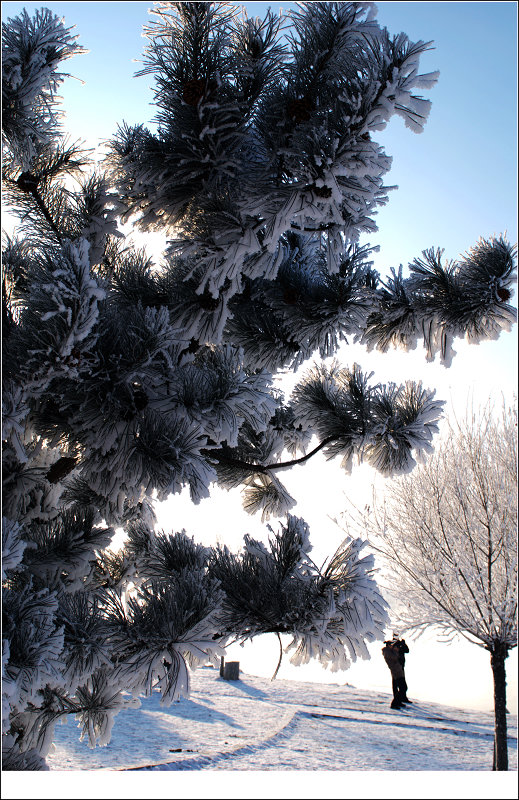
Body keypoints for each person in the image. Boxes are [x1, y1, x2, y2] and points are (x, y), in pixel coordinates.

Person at [382, 636, 412, 709]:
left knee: (403, 687)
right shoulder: (387, 652)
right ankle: (395, 703)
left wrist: (403, 644)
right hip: (396, 671)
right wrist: (396, 650)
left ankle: (398, 702)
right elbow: (395, 657)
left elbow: (406, 650)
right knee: (401, 687)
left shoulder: (391, 650)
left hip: (399, 669)